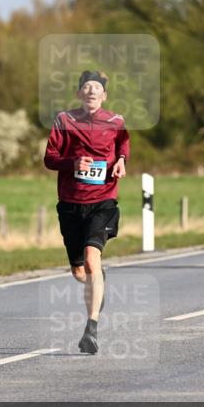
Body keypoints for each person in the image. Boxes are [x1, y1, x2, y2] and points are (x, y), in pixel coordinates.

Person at [44, 70, 129, 355]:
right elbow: (49, 158)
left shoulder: (116, 121)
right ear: (79, 93)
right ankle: (97, 280)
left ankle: (91, 329)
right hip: (70, 203)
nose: (91, 91)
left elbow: (123, 144)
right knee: (81, 271)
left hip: (103, 201)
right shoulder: (64, 121)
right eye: (86, 87)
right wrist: (73, 163)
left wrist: (121, 160)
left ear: (104, 95)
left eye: (97, 88)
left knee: (93, 259)